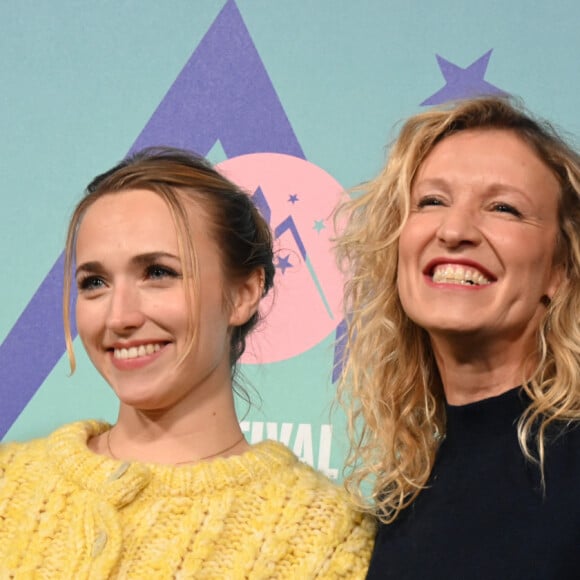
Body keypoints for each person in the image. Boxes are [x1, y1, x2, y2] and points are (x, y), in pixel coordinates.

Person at [0, 148, 374, 578]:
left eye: (158, 273)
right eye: (95, 282)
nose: (120, 316)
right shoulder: (9, 484)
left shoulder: (324, 537)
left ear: (244, 293)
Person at [334, 97, 580, 579]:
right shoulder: (402, 492)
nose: (454, 229)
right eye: (431, 201)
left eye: (504, 208)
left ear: (560, 269)